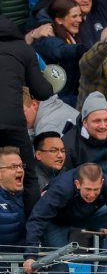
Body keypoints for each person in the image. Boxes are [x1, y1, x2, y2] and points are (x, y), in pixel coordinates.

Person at [23, 162, 107, 274]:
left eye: (96, 189)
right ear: (77, 184)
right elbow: (38, 217)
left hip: (90, 214)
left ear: (102, 183)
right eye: (88, 189)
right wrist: (30, 255)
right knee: (59, 266)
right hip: (56, 221)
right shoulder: (62, 187)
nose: (92, 194)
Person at [0, 16, 53, 211]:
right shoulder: (23, 49)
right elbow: (43, 92)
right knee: (28, 176)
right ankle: (32, 237)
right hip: (13, 121)